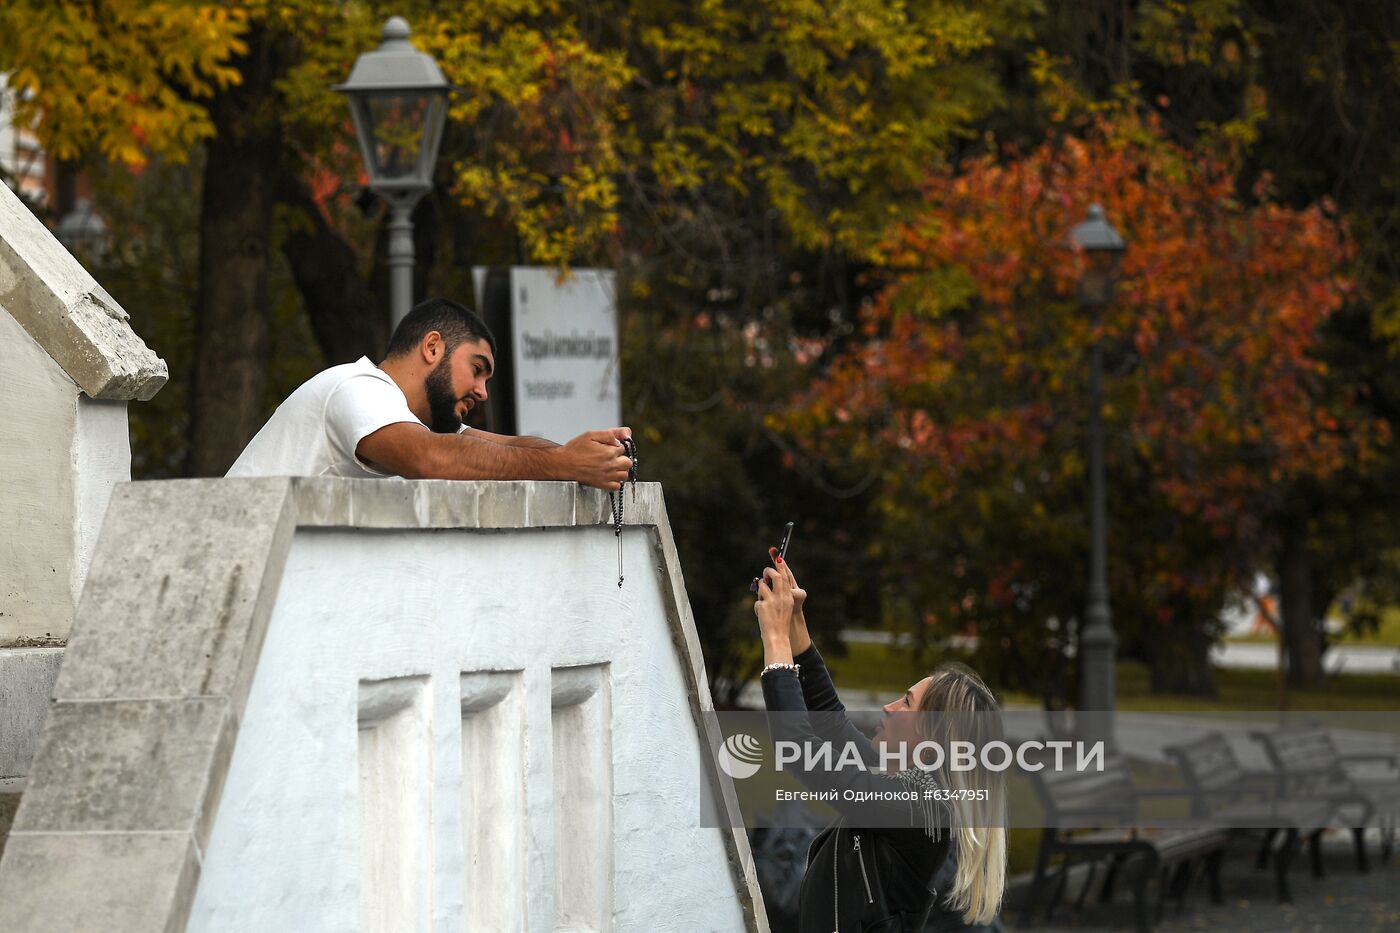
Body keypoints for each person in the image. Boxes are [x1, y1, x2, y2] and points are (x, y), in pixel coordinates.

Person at [754, 553, 1007, 932]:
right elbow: (832, 727)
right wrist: (796, 630)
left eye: (906, 702)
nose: (888, 708)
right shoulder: (907, 788)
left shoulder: (919, 809)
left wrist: (774, 641)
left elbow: (801, 751)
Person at [227, 297, 633, 488]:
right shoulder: (356, 388)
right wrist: (562, 465)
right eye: (477, 370)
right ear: (433, 346)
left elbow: (510, 447)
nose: (482, 392)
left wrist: (587, 455)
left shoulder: (411, 420)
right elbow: (430, 458)